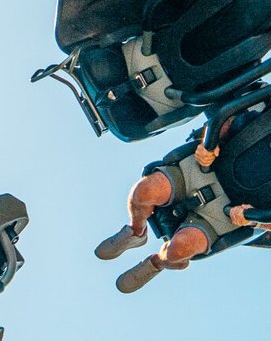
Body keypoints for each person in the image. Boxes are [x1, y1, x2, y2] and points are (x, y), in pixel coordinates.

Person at [95, 109, 271, 292]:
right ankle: (135, 232)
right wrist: (209, 142)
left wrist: (255, 220)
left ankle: (157, 262)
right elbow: (229, 121)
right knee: (143, 192)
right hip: (205, 169)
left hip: (230, 212)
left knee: (178, 249)